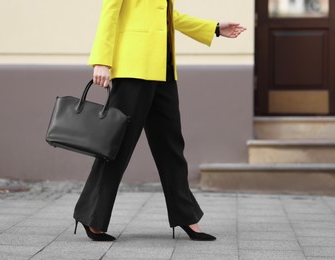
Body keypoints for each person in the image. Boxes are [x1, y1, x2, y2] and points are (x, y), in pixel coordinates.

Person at [73, 0, 246, 242]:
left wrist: (214, 28)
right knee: (116, 146)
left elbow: (166, 15)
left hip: (163, 71)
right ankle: (92, 216)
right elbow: (109, 13)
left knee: (171, 147)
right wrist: (102, 60)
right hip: (133, 69)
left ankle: (186, 215)